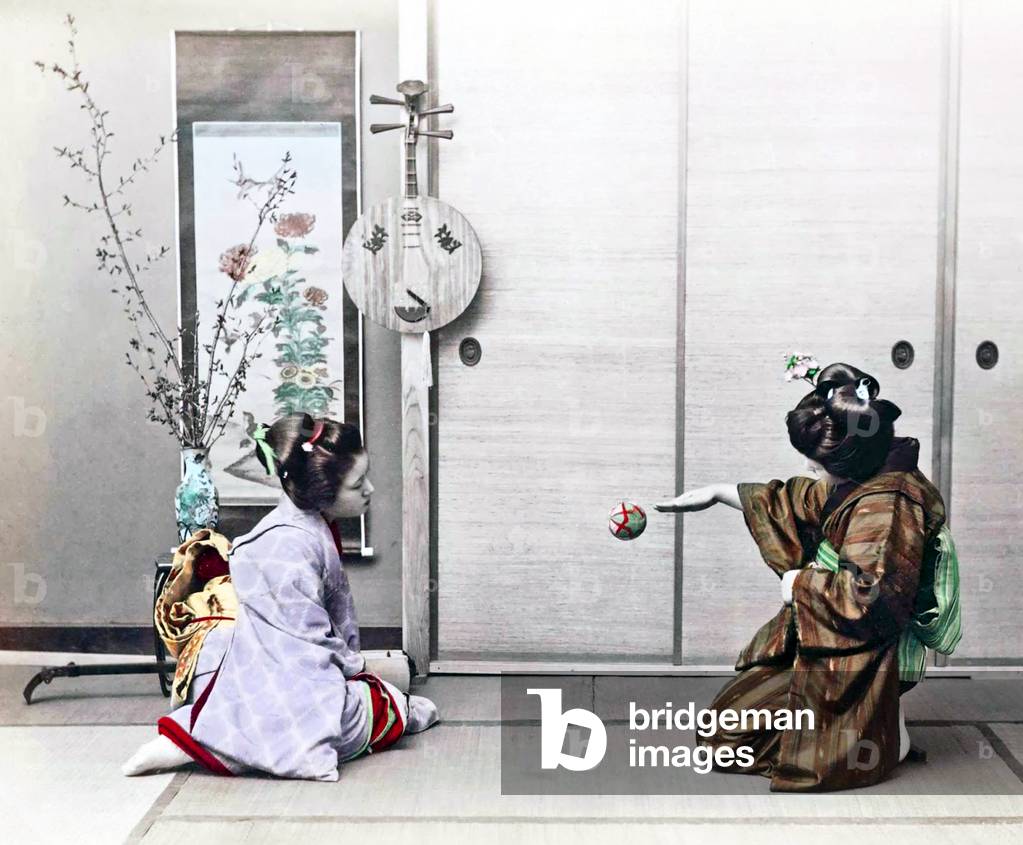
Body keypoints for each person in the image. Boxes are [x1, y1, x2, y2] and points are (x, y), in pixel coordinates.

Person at [655, 362, 957, 792]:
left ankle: (888, 733)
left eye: (815, 462)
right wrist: (721, 493)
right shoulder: (866, 471)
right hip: (839, 635)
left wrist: (797, 583)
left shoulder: (887, 503)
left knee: (733, 743)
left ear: (849, 458)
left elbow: (870, 596)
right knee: (724, 728)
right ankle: (880, 720)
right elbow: (803, 498)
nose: (806, 466)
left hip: (867, 649)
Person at [123, 413, 440, 780]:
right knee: (379, 708)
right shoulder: (288, 546)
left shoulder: (303, 529)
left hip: (260, 672)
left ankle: (207, 736)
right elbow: (307, 644)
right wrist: (358, 671)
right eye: (357, 484)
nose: (369, 489)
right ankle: (203, 742)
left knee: (252, 704)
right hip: (294, 677)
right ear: (323, 491)